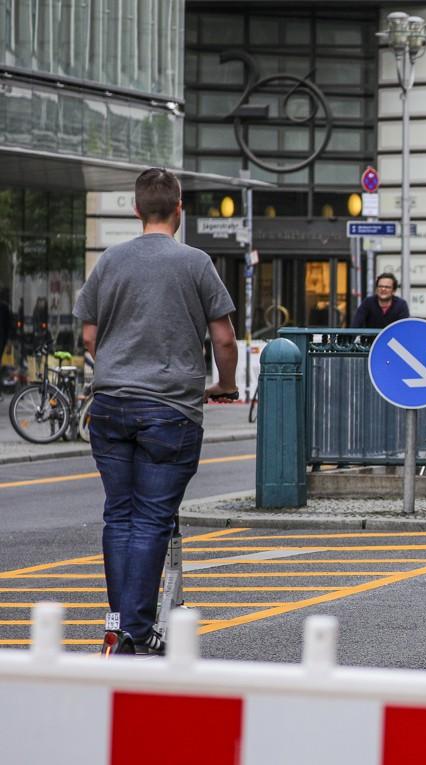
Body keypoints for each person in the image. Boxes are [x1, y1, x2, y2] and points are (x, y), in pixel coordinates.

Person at [75, 168, 238, 655]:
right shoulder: (195, 262)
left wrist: (117, 365)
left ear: (135, 209)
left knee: (118, 517)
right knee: (149, 520)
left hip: (109, 406)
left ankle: (122, 625)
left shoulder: (110, 262)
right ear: (179, 208)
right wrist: (225, 385)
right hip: (169, 409)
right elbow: (224, 338)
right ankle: (136, 633)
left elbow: (88, 335)